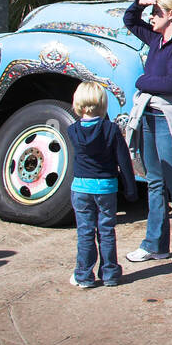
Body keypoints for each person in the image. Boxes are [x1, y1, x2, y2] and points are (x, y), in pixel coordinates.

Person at [122, 0, 172, 273]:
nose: (150, 17)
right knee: (154, 181)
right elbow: (129, 21)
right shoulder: (157, 39)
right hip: (148, 116)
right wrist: (140, 3)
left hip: (168, 119)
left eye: (155, 12)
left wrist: (142, 81)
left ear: (170, 14)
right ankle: (154, 245)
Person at [67, 81, 138, 288]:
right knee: (106, 230)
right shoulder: (111, 130)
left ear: (78, 103)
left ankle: (84, 275)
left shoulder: (72, 131)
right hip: (106, 188)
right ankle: (110, 273)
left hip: (81, 187)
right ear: (103, 104)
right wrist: (130, 188)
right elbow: (123, 160)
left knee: (85, 231)